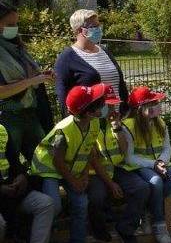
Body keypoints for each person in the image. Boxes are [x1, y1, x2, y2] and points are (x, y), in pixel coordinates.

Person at [31, 84, 114, 243]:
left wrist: (84, 176)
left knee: (81, 203)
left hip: (70, 170)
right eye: (99, 103)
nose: (104, 105)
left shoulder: (94, 122)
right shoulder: (64, 130)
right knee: (54, 205)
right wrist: (74, 182)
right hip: (49, 169)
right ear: (89, 111)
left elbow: (88, 151)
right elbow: (57, 160)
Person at [87, 83, 150, 243]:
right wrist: (110, 184)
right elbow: (93, 160)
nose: (111, 108)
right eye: (107, 104)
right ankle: (99, 231)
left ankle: (126, 228)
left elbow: (123, 150)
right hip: (96, 172)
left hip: (117, 168)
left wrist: (117, 128)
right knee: (97, 196)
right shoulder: (88, 123)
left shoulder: (114, 121)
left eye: (112, 104)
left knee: (141, 188)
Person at [122, 86, 171, 243]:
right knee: (156, 182)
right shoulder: (127, 126)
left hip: (160, 163)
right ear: (141, 108)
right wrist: (154, 164)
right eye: (153, 103)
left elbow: (167, 147)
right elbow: (129, 158)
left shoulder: (160, 122)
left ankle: (146, 211)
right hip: (140, 166)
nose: (157, 105)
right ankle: (159, 224)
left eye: (156, 102)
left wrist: (161, 161)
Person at [0, 1, 54, 163]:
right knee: (12, 164)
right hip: (8, 117)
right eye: (10, 24)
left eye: (16, 24)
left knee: (44, 161)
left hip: (30, 113)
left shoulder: (18, 47)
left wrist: (42, 76)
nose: (14, 28)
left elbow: (28, 77)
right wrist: (32, 81)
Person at [54, 9, 130, 113]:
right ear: (79, 30)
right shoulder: (66, 58)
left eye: (98, 25)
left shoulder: (104, 51)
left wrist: (125, 109)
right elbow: (63, 97)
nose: (98, 29)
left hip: (116, 118)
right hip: (91, 121)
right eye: (93, 27)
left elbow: (120, 84)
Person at [0, 116, 56, 243]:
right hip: (3, 192)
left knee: (45, 203)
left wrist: (21, 176)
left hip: (11, 191)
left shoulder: (2, 130)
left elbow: (14, 161)